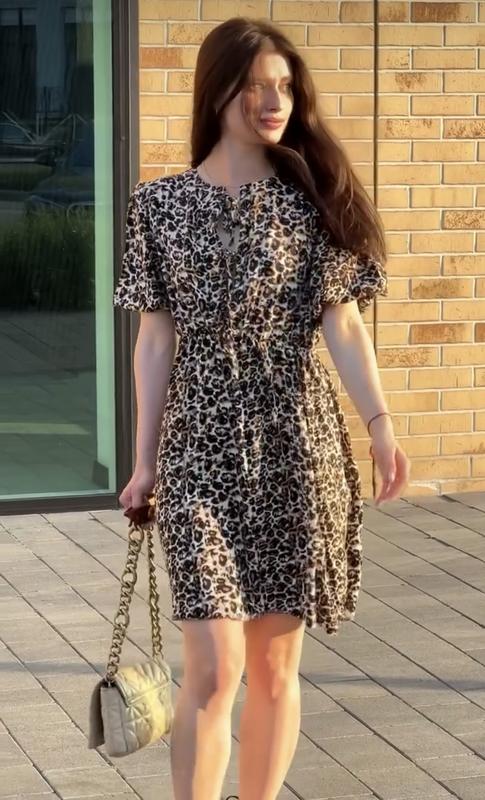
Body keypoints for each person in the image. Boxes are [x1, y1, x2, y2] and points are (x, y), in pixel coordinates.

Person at [113, 15, 411, 800]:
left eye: (282, 86)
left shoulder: (312, 202)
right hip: (196, 453)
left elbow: (342, 323)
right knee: (213, 668)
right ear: (216, 92)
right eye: (252, 87)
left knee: (275, 668)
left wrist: (379, 426)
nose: (272, 101)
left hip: (294, 449)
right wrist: (143, 462)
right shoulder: (158, 205)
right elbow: (154, 340)